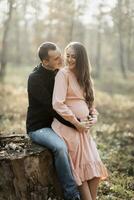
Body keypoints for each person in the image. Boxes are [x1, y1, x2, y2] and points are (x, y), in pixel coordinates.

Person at [26, 42, 96, 200]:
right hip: (40, 128)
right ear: (45, 62)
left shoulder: (59, 72)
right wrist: (76, 123)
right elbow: (54, 109)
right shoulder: (35, 79)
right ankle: (71, 193)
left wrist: (86, 118)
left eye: (60, 55)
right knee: (60, 148)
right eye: (57, 58)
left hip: (57, 125)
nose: (62, 59)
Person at [52, 42, 108, 200]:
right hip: (68, 127)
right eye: (67, 55)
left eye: (73, 57)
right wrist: (77, 123)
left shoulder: (85, 77)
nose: (69, 59)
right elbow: (57, 103)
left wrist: (93, 118)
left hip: (84, 130)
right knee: (81, 173)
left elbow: (91, 107)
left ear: (81, 59)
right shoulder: (62, 74)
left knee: (95, 173)